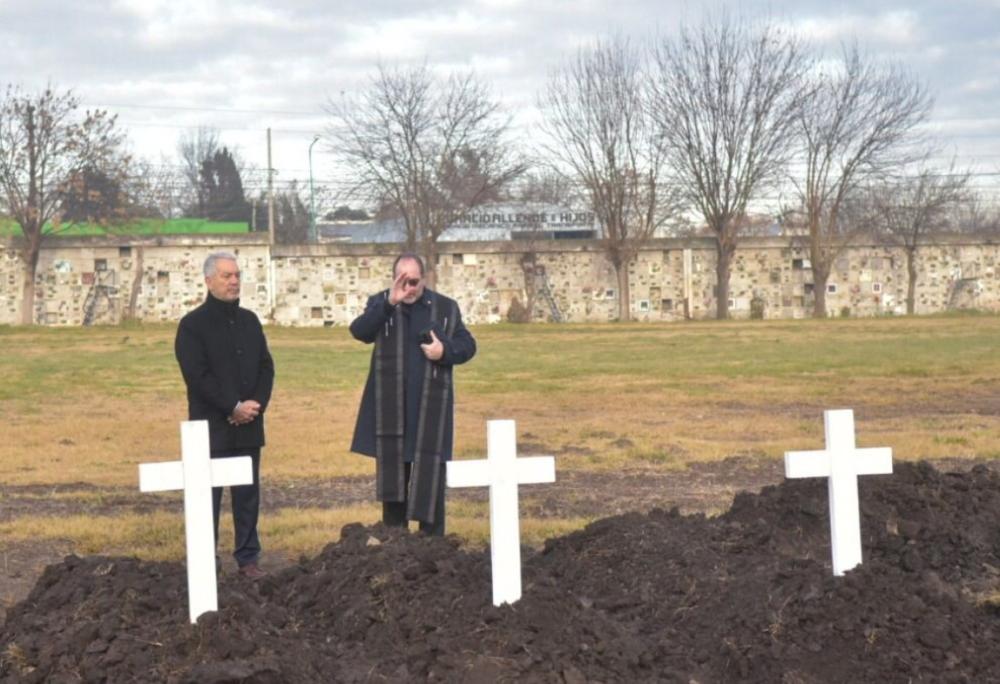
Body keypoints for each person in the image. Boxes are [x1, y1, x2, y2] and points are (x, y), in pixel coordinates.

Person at [350, 253, 476, 536]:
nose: (408, 288)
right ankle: (395, 550)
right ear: (394, 278)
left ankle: (433, 550)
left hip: (428, 414)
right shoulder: (381, 303)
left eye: (414, 282)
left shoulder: (445, 308)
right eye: (402, 281)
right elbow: (360, 331)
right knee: (394, 492)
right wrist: (389, 302)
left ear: (425, 279)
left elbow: (468, 346)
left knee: (430, 486)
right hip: (391, 415)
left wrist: (445, 352)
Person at [175, 251, 275, 579]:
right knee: (209, 497)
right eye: (226, 276)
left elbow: (265, 366)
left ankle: (248, 559)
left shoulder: (249, 321)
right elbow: (198, 376)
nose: (234, 281)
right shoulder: (192, 326)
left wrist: (254, 406)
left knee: (247, 495)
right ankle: (207, 560)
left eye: (237, 276)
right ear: (208, 280)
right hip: (212, 426)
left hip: (248, 423)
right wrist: (232, 407)